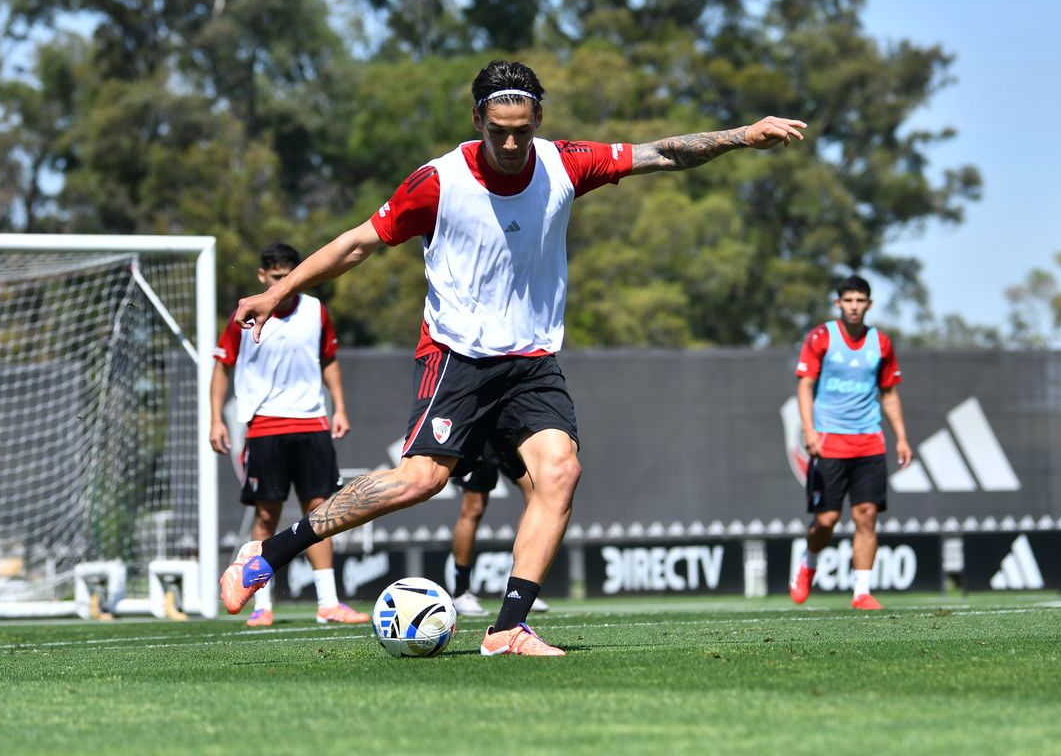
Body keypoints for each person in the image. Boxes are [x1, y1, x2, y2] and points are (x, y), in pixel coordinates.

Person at [220, 59, 806, 656]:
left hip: (532, 361)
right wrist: (277, 293)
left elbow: (662, 153)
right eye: (497, 130)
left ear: (539, 119)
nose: (509, 143)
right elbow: (357, 243)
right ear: (477, 119)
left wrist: (743, 135)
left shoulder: (565, 164)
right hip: (458, 355)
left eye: (521, 131)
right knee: (420, 481)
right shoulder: (438, 181)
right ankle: (268, 553)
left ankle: (507, 629)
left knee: (560, 473)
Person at [209, 242, 368, 627]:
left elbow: (329, 360)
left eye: (289, 276)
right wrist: (216, 419)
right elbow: (222, 367)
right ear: (262, 276)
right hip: (265, 425)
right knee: (266, 514)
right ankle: (262, 605)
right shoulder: (244, 316)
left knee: (322, 512)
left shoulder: (315, 311)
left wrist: (340, 407)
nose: (283, 283)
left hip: (312, 422)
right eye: (276, 276)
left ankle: (328, 603)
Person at [788, 275, 913, 610]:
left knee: (866, 515)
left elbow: (889, 394)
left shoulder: (880, 343)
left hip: (869, 441)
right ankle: (809, 563)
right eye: (848, 300)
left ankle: (861, 592)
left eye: (860, 301)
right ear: (838, 303)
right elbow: (805, 385)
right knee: (826, 520)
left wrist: (902, 438)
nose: (854, 307)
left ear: (869, 305)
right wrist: (809, 430)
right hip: (830, 441)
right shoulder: (821, 338)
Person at [450, 441, 549, 617]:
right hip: (480, 435)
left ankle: (519, 583)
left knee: (536, 494)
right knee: (474, 507)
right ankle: (460, 592)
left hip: (507, 432)